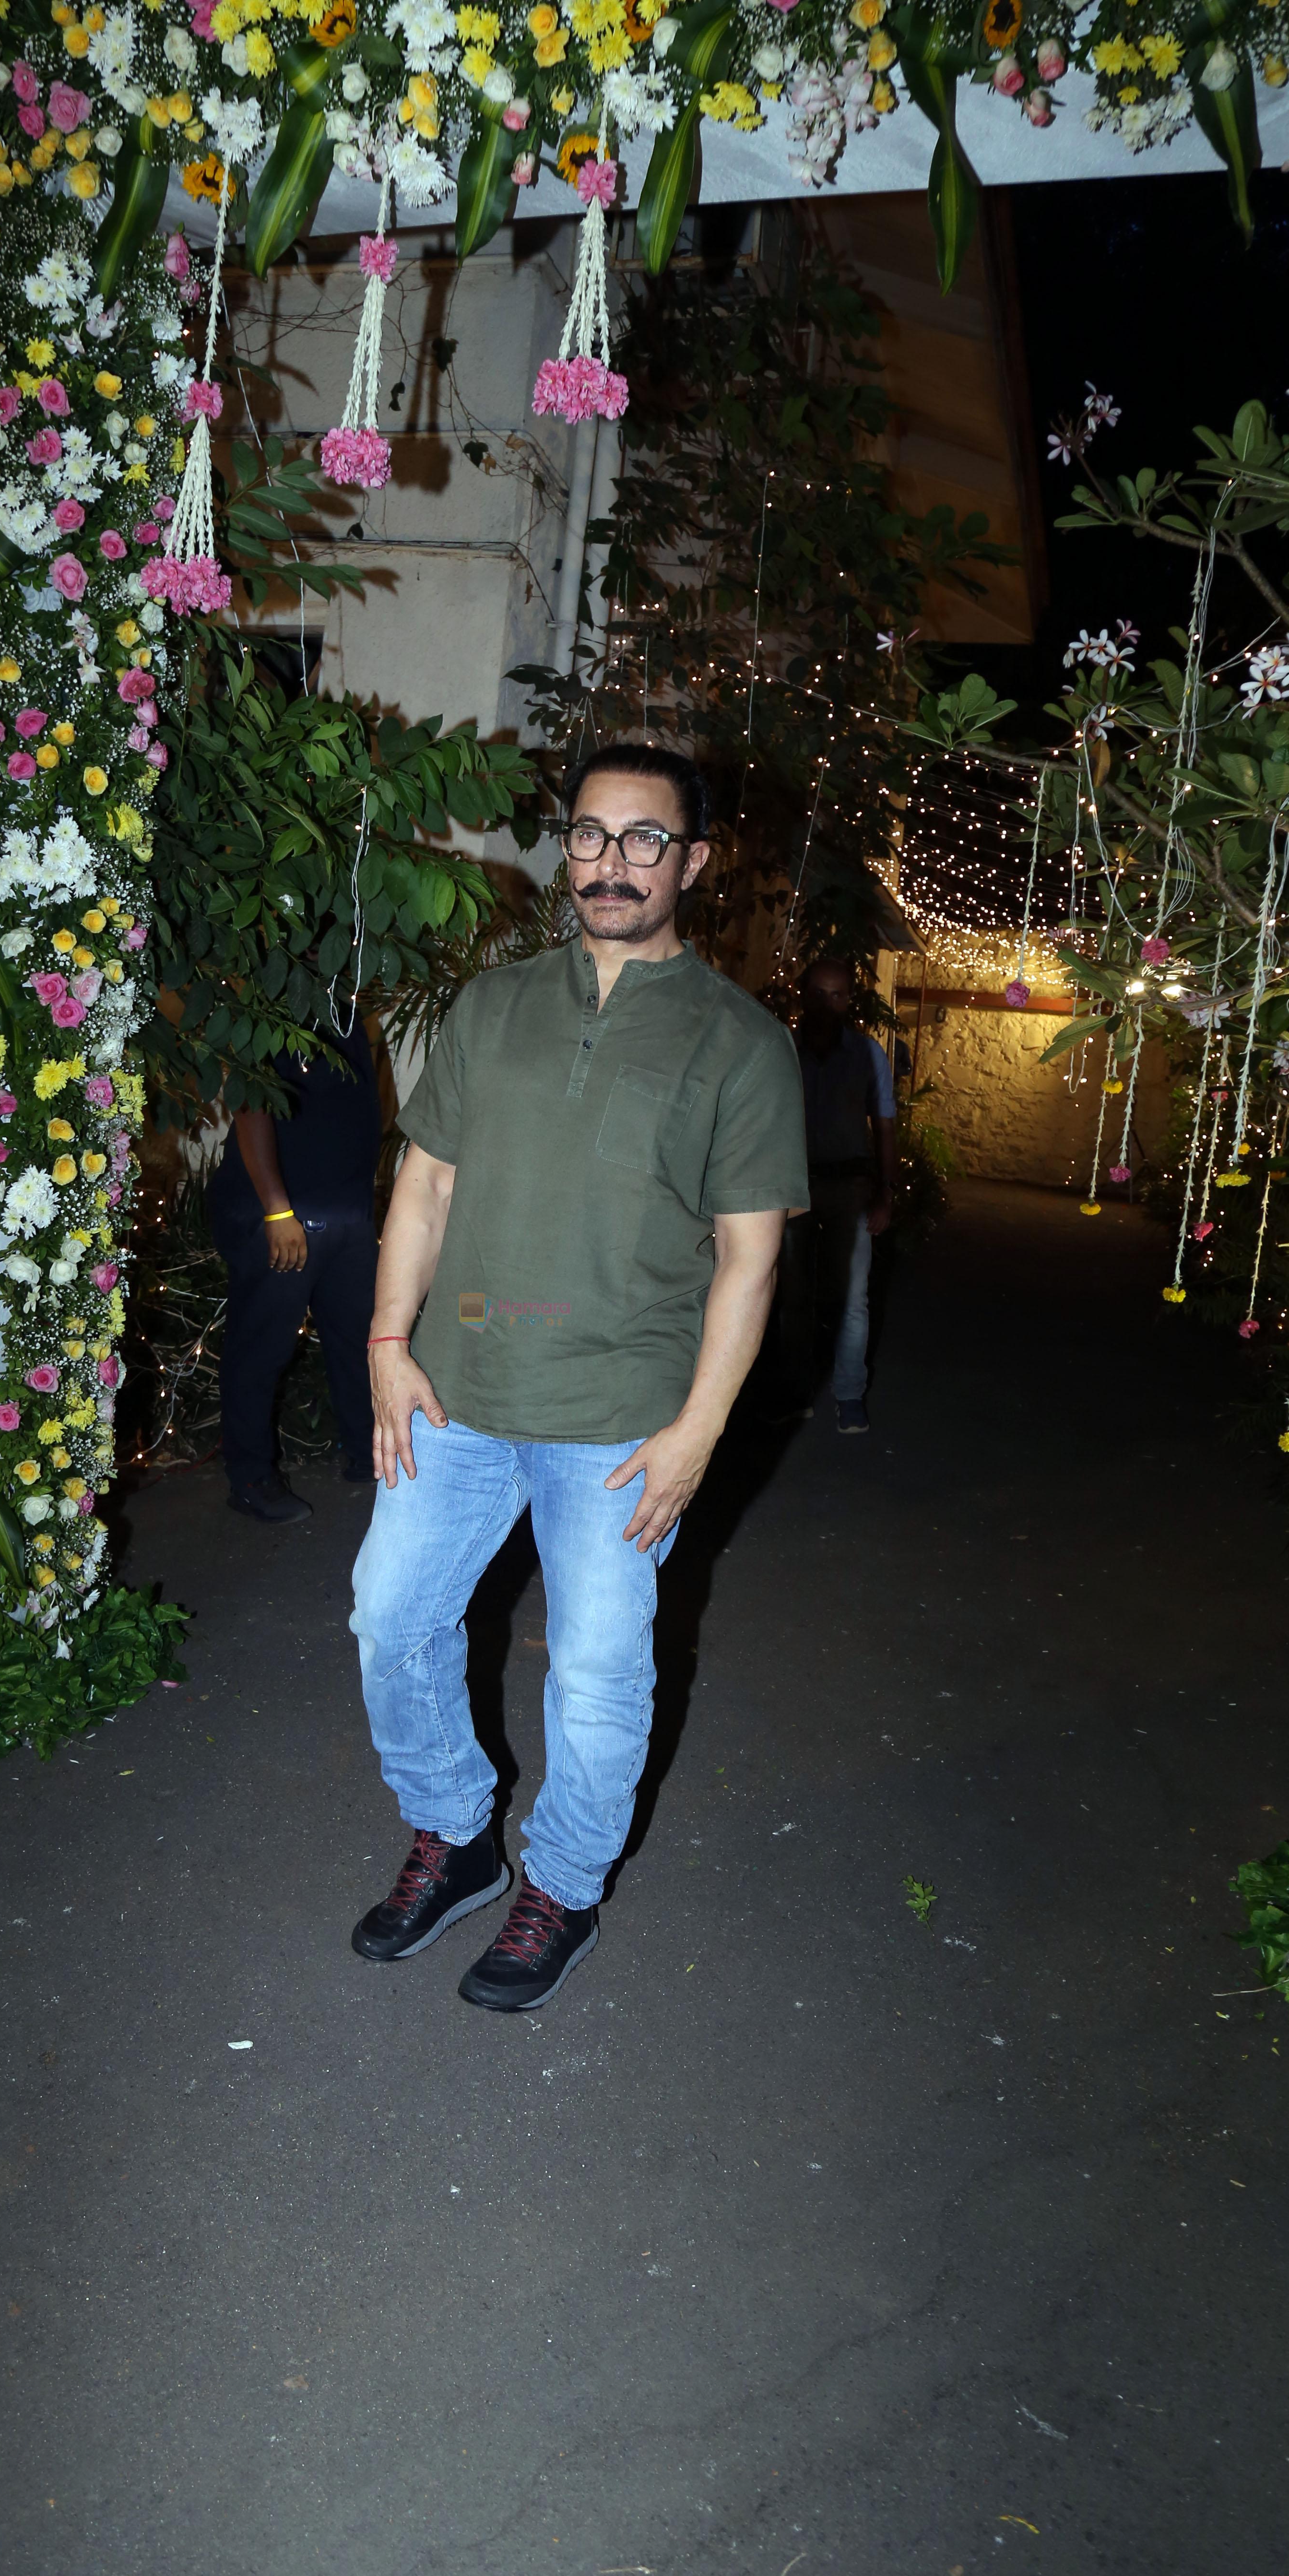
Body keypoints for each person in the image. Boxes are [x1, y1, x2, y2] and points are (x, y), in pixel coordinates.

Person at [346, 743, 810, 2011]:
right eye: (592, 836)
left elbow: (750, 1264)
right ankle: (453, 1839)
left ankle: (562, 1884)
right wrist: (389, 1342)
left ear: (695, 861)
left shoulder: (740, 1044)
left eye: (645, 839)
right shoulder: (494, 1009)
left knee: (599, 1676)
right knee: (392, 1616)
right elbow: (427, 1185)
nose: (612, 862)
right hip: (460, 1390)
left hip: (622, 1422)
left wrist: (698, 1436)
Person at [206, 1013, 382, 1524]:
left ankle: (369, 1455)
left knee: (359, 1341)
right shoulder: (274, 1005)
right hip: (283, 1220)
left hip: (344, 1218)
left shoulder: (347, 1014)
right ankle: (251, 1478)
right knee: (261, 1350)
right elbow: (251, 1104)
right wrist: (277, 1209)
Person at [785, 950, 897, 1436]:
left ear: (849, 1000)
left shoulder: (867, 1054)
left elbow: (885, 1128)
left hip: (851, 1188)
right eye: (818, 993)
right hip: (793, 1188)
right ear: (803, 996)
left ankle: (850, 1395)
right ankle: (795, 1392)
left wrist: (886, 1194)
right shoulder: (783, 1050)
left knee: (852, 1299)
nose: (827, 1003)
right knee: (793, 1297)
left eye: (837, 994)